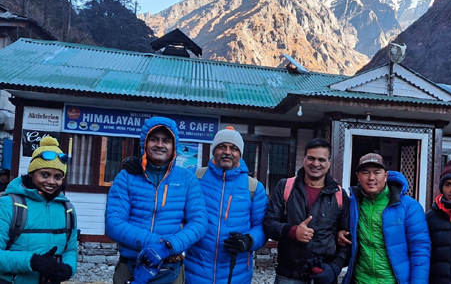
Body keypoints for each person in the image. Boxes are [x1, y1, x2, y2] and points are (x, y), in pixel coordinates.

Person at [106, 117, 208, 284]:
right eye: (154, 139)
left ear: (174, 146)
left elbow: (199, 222)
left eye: (166, 140)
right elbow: (113, 223)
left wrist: (169, 246)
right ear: (144, 143)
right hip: (131, 268)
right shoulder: (126, 177)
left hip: (170, 270)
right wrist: (159, 244)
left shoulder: (187, 179)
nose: (160, 145)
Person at [185, 126, 268, 284]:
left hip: (236, 273)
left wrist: (249, 240)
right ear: (214, 150)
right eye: (222, 146)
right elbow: (166, 176)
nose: (227, 152)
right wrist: (141, 166)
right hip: (195, 271)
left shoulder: (253, 187)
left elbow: (262, 226)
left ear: (240, 154)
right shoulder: (195, 178)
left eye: (233, 148)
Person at [263, 138, 350, 284]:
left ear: (329, 163)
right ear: (304, 159)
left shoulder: (339, 195)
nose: (315, 164)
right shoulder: (285, 187)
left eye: (321, 160)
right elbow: (268, 224)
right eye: (311, 158)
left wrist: (335, 268)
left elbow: (347, 239)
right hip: (288, 275)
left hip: (324, 274)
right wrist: (292, 231)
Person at [340, 153, 431, 284]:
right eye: (365, 173)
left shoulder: (409, 206)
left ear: (386, 176)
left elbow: (420, 250)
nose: (371, 178)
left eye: (377, 172)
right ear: (358, 177)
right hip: (360, 280)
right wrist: (339, 233)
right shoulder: (352, 205)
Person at [0, 136, 77, 284]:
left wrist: (68, 269)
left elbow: (70, 249)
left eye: (58, 177)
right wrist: (33, 261)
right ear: (31, 173)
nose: (51, 182)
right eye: (45, 174)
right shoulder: (8, 205)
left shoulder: (67, 210)